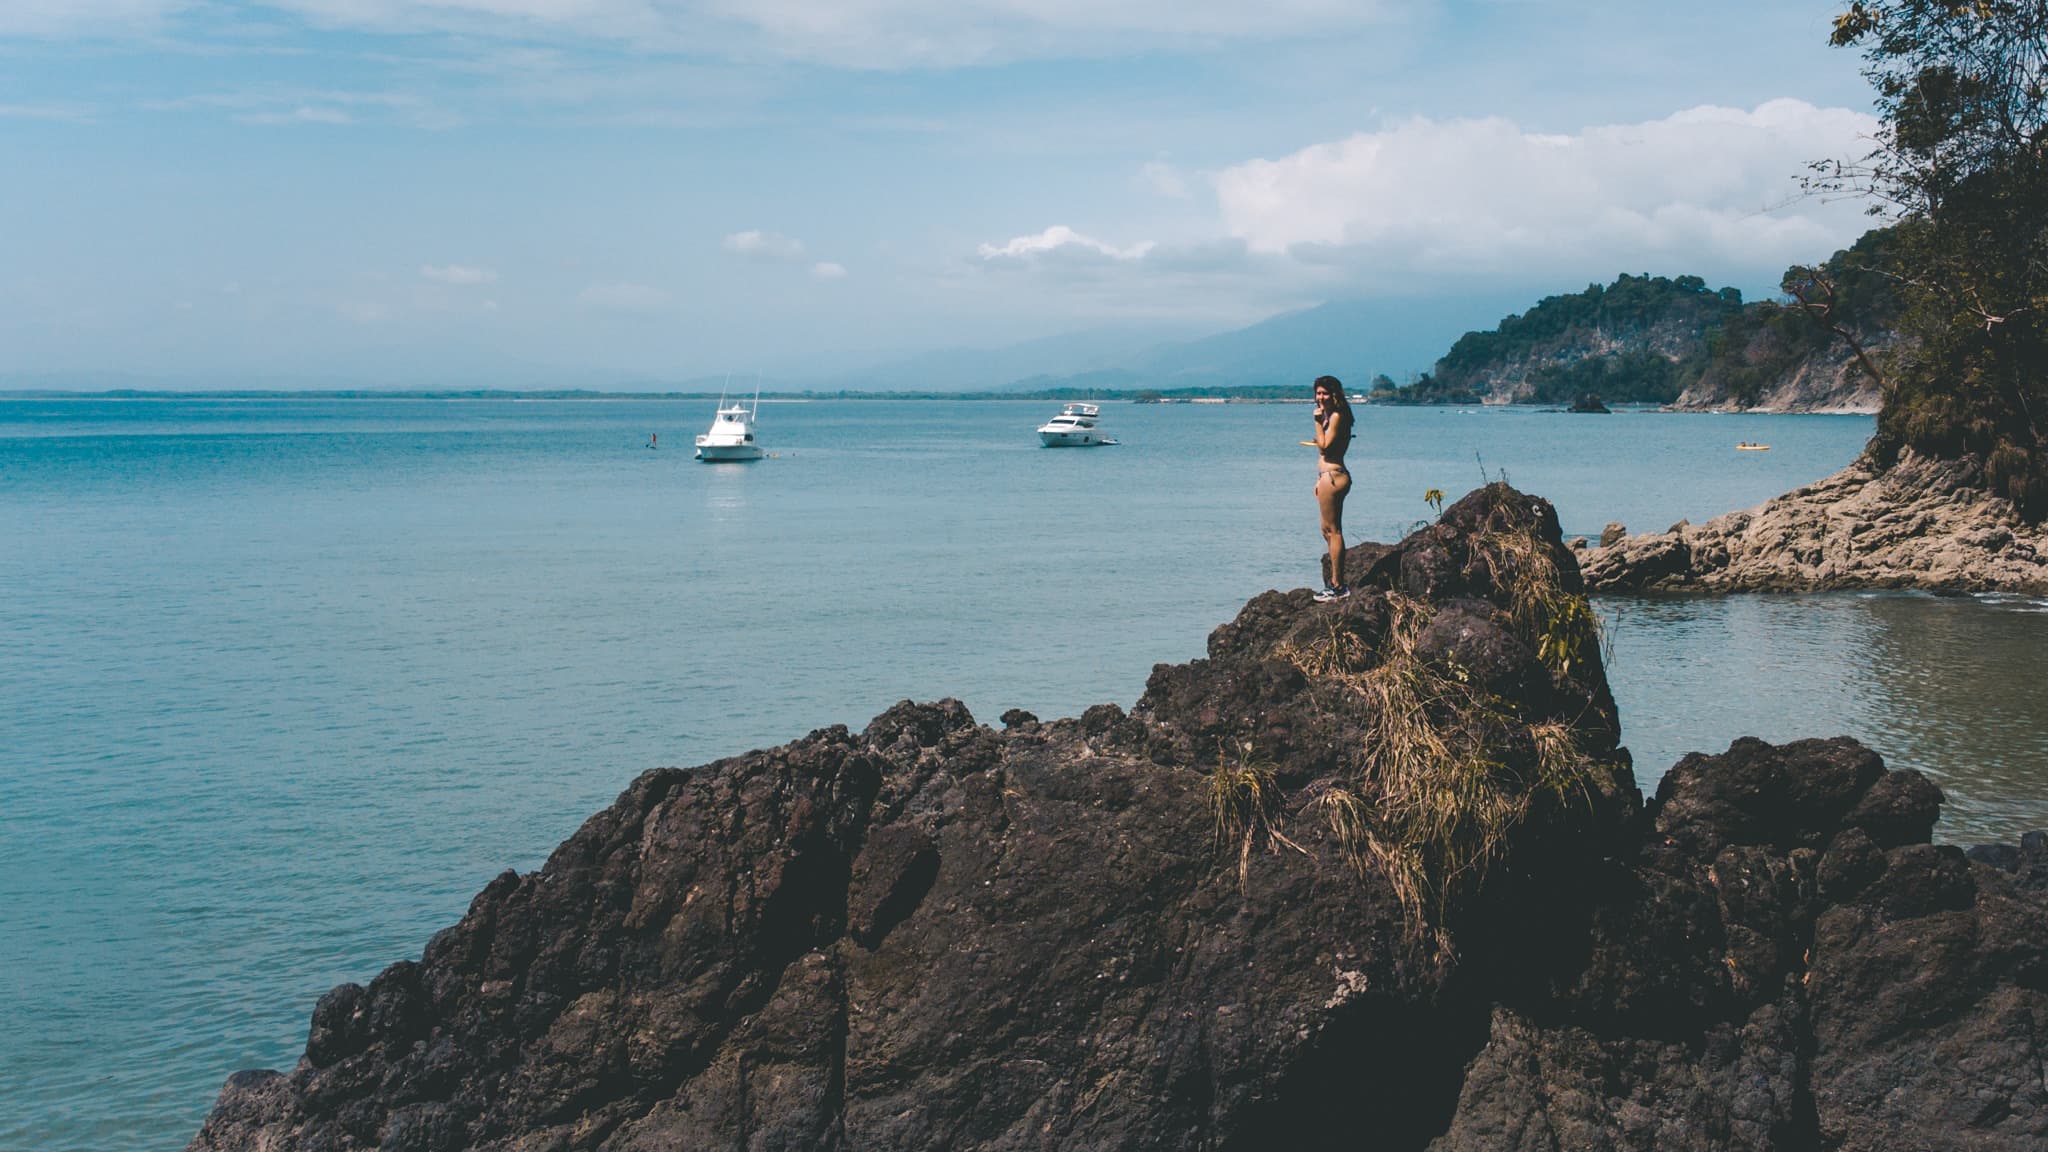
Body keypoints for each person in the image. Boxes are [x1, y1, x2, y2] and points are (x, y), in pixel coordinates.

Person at [1311, 375, 1354, 602]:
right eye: (1318, 393)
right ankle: (1336, 583)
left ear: (1334, 394)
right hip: (1328, 478)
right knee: (1326, 531)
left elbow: (1326, 447)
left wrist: (1318, 423)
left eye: (1325, 393)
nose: (1320, 397)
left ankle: (1337, 586)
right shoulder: (1335, 416)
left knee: (1333, 530)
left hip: (1334, 477)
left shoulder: (1336, 416)